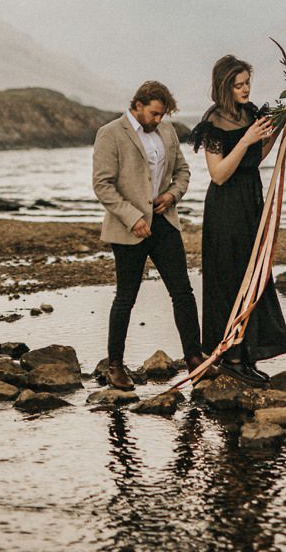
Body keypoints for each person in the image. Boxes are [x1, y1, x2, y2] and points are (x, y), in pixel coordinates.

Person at [91, 80, 211, 390]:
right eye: (155, 114)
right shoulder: (110, 134)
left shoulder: (168, 132)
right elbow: (103, 185)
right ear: (139, 105)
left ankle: (194, 358)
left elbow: (183, 171)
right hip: (128, 229)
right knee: (126, 298)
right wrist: (132, 218)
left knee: (182, 292)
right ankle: (115, 365)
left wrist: (172, 195)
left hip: (164, 223)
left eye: (162, 115)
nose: (159, 120)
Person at [192, 55, 286, 385]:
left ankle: (247, 354)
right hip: (226, 207)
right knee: (231, 276)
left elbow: (257, 158)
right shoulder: (212, 122)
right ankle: (231, 357)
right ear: (224, 87)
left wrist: (279, 129)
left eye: (248, 82)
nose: (246, 89)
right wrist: (248, 139)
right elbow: (219, 174)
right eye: (239, 85)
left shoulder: (252, 114)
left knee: (255, 276)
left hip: (252, 201)